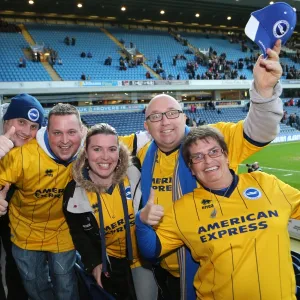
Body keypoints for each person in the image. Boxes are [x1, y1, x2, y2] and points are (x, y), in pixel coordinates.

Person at [134, 40, 283, 299]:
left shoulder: (212, 139)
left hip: (213, 270)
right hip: (163, 267)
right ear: (146, 126)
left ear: (185, 116)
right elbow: (91, 145)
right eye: (155, 117)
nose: (165, 122)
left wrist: (263, 91)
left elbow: (260, 131)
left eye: (172, 113)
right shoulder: (144, 152)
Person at [136, 125, 300, 300]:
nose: (208, 161)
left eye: (214, 151)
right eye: (197, 157)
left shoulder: (267, 184)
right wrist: (142, 222)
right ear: (191, 169)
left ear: (226, 156)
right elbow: (151, 250)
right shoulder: (183, 208)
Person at [63, 123, 156, 300]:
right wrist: (94, 262)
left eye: (112, 149)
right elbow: (79, 233)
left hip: (143, 258)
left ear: (119, 153)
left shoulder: (135, 172)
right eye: (97, 149)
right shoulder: (74, 192)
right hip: (109, 262)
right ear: (86, 153)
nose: (105, 157)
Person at [0, 103, 83, 300]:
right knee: (35, 288)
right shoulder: (20, 156)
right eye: (57, 133)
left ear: (81, 131)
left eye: (71, 132)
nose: (64, 141)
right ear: (48, 132)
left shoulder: (87, 152)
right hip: (25, 232)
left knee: (66, 287)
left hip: (63, 232)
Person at [0, 94, 44, 300]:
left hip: (14, 213)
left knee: (15, 260)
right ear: (7, 120)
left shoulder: (34, 149)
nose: (27, 131)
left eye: (34, 126)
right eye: (21, 122)